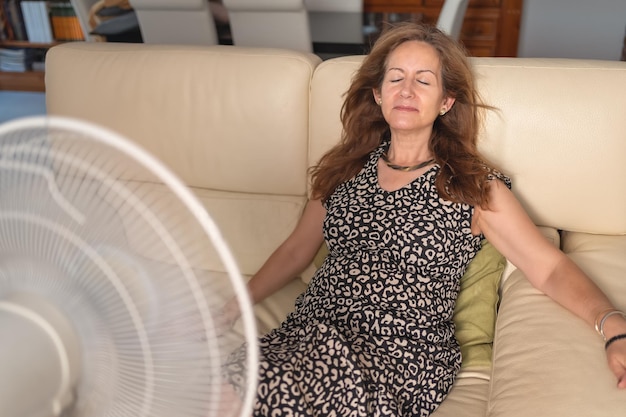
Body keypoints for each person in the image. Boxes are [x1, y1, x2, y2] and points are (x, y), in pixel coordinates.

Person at [223, 22, 626, 416]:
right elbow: (296, 250)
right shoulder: (343, 169)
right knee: (219, 385)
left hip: (396, 352)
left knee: (249, 395)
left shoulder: (472, 185)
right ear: (378, 94)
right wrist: (231, 308)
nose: (407, 90)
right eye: (396, 78)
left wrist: (612, 326)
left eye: (424, 80)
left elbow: (549, 267)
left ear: (446, 102)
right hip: (307, 335)